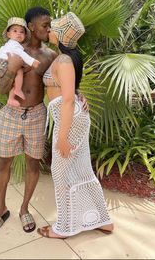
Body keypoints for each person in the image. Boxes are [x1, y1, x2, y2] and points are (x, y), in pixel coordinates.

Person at [37, 12, 114, 239]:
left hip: (68, 118)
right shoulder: (68, 58)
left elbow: (68, 99)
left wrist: (62, 137)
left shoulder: (63, 60)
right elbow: (69, 91)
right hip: (69, 116)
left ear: (59, 35)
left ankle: (63, 228)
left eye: (52, 28)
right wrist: (78, 94)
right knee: (80, 170)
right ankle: (103, 220)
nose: (48, 31)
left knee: (60, 173)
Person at [0, 7, 58, 234]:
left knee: (32, 163)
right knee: (4, 162)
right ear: (31, 27)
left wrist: (77, 93)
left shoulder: (50, 56)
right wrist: (12, 69)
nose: (49, 28)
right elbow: (1, 88)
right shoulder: (13, 50)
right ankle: (0, 209)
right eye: (45, 25)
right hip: (11, 113)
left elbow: (63, 81)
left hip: (37, 113)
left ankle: (24, 208)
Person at [0, 17, 40, 107]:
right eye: (15, 31)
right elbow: (21, 54)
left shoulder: (7, 45)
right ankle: (18, 90)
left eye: (21, 32)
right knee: (19, 72)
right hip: (3, 63)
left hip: (0, 64)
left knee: (16, 77)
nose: (18, 34)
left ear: (25, 35)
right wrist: (32, 62)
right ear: (8, 34)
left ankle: (11, 98)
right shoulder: (14, 44)